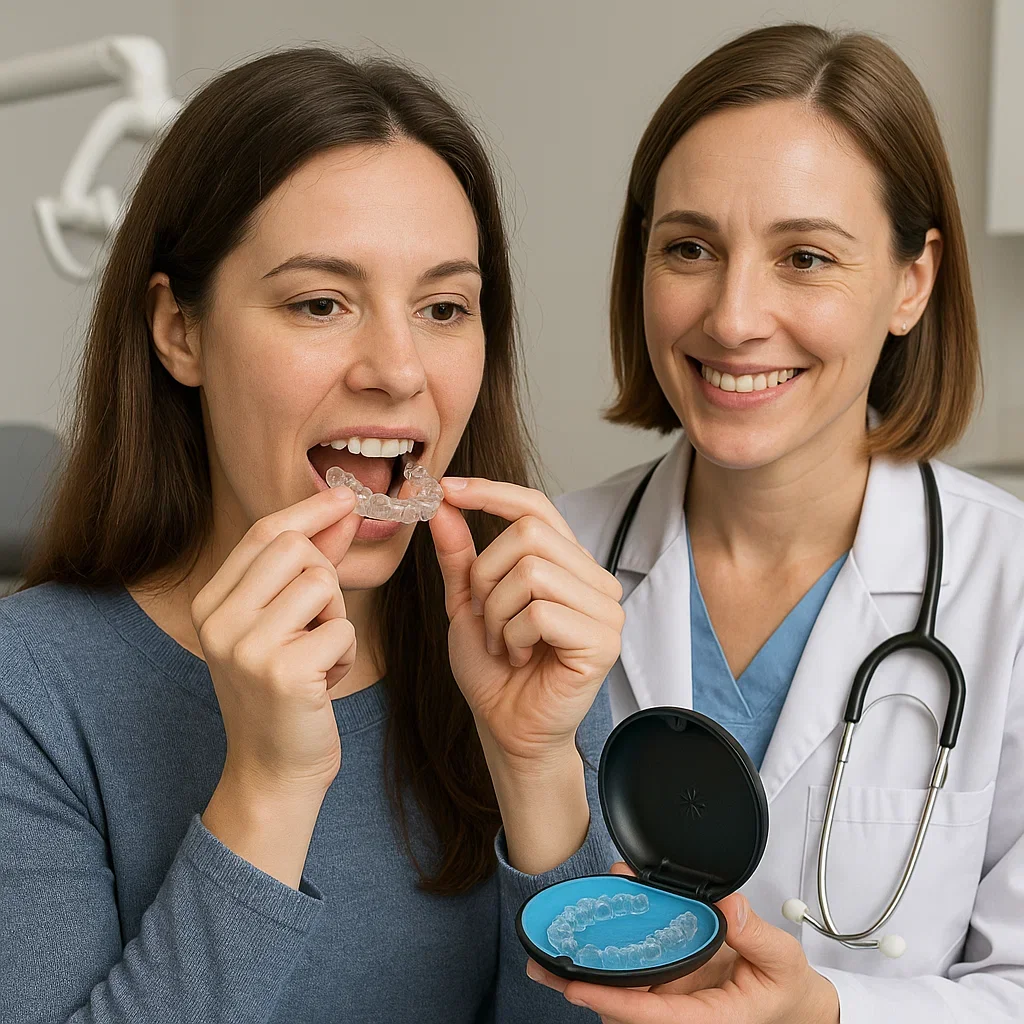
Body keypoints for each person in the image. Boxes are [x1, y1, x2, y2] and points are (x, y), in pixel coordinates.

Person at [0, 48, 624, 1023]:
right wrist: (268, 786)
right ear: (180, 332)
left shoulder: (522, 657)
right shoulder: (28, 691)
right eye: (320, 303)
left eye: (444, 307)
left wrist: (538, 768)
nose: (398, 368)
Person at [528, 22, 1024, 1024]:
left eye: (803, 255)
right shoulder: (543, 567)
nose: (733, 315)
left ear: (910, 282)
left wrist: (824, 1013)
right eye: (689, 248)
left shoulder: (1006, 584)